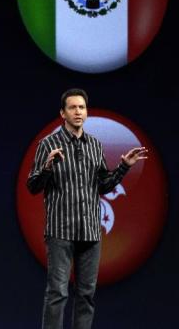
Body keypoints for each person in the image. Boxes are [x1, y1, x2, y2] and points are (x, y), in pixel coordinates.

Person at [26, 88, 147, 329]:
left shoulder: (94, 145)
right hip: (60, 231)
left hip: (90, 232)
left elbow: (103, 186)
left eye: (82, 107)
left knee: (86, 295)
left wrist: (123, 166)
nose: (78, 112)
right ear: (63, 113)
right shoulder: (48, 144)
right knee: (58, 293)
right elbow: (32, 186)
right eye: (72, 107)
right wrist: (48, 167)